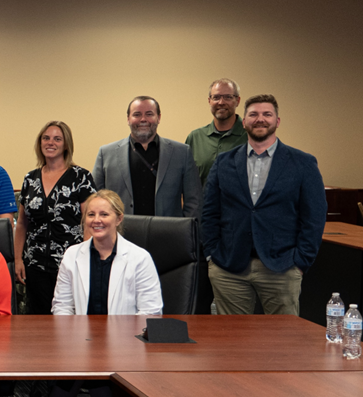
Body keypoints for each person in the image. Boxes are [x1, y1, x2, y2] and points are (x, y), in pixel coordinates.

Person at [202, 94, 326, 316]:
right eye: (254, 114)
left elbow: (314, 217)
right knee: (232, 339)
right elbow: (209, 212)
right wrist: (212, 255)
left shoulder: (303, 163)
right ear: (244, 122)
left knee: (282, 341)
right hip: (229, 268)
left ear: (277, 121)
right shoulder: (223, 162)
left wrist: (300, 262)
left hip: (282, 267)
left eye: (267, 114)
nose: (260, 119)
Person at [14, 121, 96, 315]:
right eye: (46, 138)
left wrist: (85, 260)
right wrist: (18, 260)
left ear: (66, 144)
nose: (51, 143)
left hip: (69, 263)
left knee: (67, 318)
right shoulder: (30, 179)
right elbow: (22, 224)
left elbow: (90, 223)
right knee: (37, 321)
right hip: (35, 264)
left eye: (57, 139)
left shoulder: (80, 177)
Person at [51, 189, 163, 315]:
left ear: (119, 219)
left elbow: (151, 311)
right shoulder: (71, 255)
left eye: (104, 214)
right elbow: (62, 306)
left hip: (125, 333)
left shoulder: (140, 258)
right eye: (91, 214)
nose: (96, 220)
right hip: (81, 333)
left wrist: (122, 334)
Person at [93, 96, 202, 218]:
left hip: (168, 233)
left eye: (149, 114)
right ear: (128, 119)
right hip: (121, 232)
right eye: (137, 114)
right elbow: (95, 200)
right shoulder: (106, 153)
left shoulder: (182, 152)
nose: (143, 119)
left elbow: (194, 201)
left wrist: (186, 231)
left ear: (159, 118)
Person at [186, 78, 248, 187]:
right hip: (202, 204)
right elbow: (185, 181)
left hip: (239, 204)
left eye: (228, 97)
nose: (221, 102)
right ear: (209, 101)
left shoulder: (250, 136)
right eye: (216, 97)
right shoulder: (195, 138)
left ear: (237, 101)